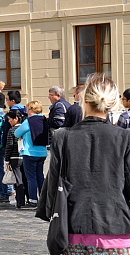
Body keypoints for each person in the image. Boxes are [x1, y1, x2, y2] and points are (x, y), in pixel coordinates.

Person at [37, 73, 130, 254]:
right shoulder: (125, 138)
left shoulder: (63, 137)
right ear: (112, 103)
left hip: (73, 229)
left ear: (84, 101)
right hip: (117, 230)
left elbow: (54, 183)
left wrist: (48, 212)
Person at [14, 100, 48, 208]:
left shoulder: (28, 121)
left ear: (31, 110)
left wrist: (22, 135)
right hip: (42, 152)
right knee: (40, 176)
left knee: (31, 177)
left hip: (29, 152)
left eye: (28, 109)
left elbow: (17, 133)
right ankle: (43, 198)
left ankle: (33, 199)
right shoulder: (44, 120)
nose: (27, 111)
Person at [4, 110, 25, 209]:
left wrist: (7, 159)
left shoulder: (12, 130)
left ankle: (20, 202)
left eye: (10, 119)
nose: (9, 121)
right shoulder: (25, 129)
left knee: (18, 180)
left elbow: (9, 145)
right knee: (26, 179)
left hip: (15, 157)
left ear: (16, 119)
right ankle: (30, 199)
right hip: (25, 157)